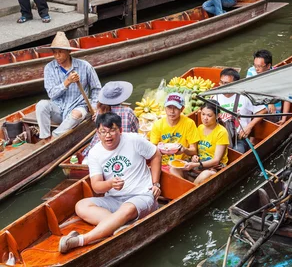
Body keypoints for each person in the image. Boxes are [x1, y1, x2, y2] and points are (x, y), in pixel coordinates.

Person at [58, 113, 162, 253]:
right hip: (114, 199)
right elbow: (96, 186)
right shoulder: (95, 153)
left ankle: (81, 240)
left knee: (127, 209)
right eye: (104, 131)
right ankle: (117, 226)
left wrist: (156, 184)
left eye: (112, 130)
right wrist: (110, 184)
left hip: (141, 195)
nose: (108, 135)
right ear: (98, 133)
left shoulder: (134, 140)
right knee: (81, 205)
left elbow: (156, 155)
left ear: (120, 130)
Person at [36, 31, 101, 140]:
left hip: (79, 105)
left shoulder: (85, 66)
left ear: (68, 51)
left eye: (60, 52)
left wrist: (95, 107)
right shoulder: (49, 68)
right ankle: (45, 137)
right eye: (54, 52)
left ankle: (55, 137)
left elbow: (97, 89)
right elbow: (52, 94)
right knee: (41, 105)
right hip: (58, 107)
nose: (57, 56)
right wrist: (67, 82)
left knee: (75, 115)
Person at [83, 81, 140, 159]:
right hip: (121, 150)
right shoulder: (128, 111)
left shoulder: (100, 110)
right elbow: (135, 131)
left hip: (100, 148)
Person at [213, 68, 266, 151]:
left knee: (237, 151)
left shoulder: (245, 97)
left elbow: (263, 110)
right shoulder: (215, 96)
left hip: (239, 138)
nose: (222, 86)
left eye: (226, 83)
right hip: (220, 136)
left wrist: (249, 126)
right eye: (221, 82)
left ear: (235, 84)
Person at [149, 93, 199, 173]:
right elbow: (152, 149)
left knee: (174, 170)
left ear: (182, 109)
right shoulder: (158, 125)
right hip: (163, 163)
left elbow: (194, 150)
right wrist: (162, 149)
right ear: (165, 108)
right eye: (169, 107)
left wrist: (184, 150)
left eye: (176, 108)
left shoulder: (189, 123)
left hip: (183, 163)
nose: (172, 111)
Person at [183, 103, 229, 184]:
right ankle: (188, 185)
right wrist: (194, 156)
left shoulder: (222, 132)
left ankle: (190, 189)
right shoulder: (200, 128)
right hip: (199, 162)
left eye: (209, 115)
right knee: (175, 168)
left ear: (217, 116)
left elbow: (216, 160)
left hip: (213, 167)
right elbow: (195, 150)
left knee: (206, 174)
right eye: (203, 114)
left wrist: (195, 164)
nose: (205, 118)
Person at [246, 49, 290, 124]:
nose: (256, 69)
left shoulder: (278, 75)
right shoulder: (251, 71)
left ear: (268, 65)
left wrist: (284, 119)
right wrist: (269, 101)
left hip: (272, 113)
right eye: (255, 65)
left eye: (259, 66)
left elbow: (287, 97)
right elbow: (249, 91)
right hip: (255, 109)